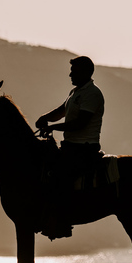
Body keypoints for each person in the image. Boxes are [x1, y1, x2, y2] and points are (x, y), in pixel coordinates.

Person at [34, 56, 105, 238]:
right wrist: (45, 117)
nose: (70, 74)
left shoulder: (92, 94)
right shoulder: (75, 92)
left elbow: (80, 123)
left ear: (84, 72)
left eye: (74, 71)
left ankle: (62, 223)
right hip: (71, 147)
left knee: (59, 177)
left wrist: (52, 127)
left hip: (83, 148)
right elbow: (61, 111)